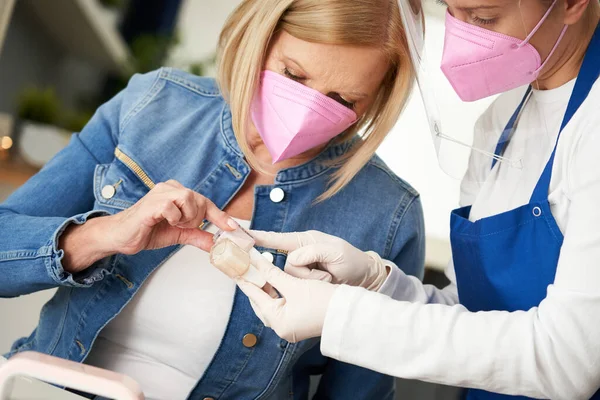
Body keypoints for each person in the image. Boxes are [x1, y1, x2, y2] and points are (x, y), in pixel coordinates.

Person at [0, 1, 425, 399]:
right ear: (261, 36)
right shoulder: (152, 106)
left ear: (378, 101)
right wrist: (101, 235)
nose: (307, 111)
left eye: (343, 100)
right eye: (294, 76)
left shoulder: (388, 214)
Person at [238, 0, 600, 399]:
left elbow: (569, 361)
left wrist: (343, 315)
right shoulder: (502, 119)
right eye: (450, 10)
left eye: (482, 17)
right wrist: (376, 282)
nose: (461, 36)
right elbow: (477, 318)